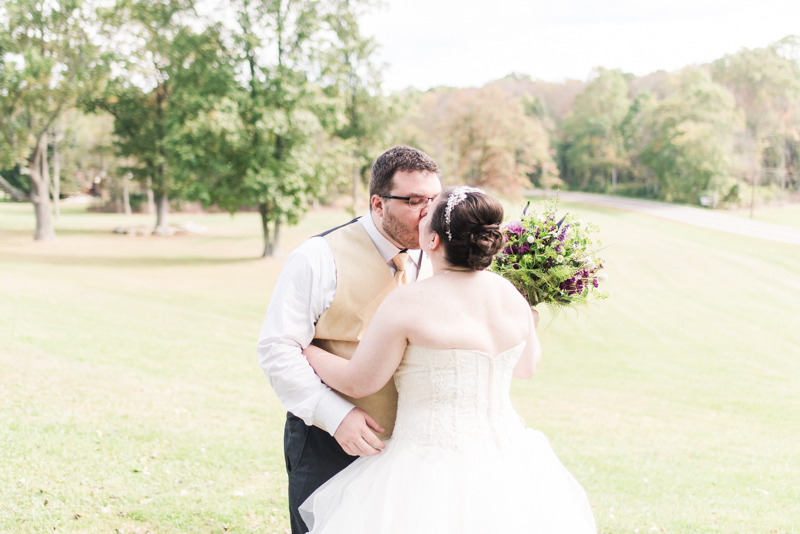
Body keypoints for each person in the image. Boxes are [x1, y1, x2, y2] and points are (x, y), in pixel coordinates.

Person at [298, 187, 597, 533]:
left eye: (426, 216)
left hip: (424, 467)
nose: (420, 216)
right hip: (508, 463)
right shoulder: (512, 296)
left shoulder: (408, 302)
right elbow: (526, 368)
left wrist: (306, 348)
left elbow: (358, 381)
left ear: (434, 241)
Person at [256, 146, 443, 534]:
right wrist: (336, 417)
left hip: (411, 452)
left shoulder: (438, 258)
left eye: (434, 200)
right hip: (328, 443)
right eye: (413, 201)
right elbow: (278, 349)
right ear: (378, 203)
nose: (428, 212)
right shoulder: (317, 256)